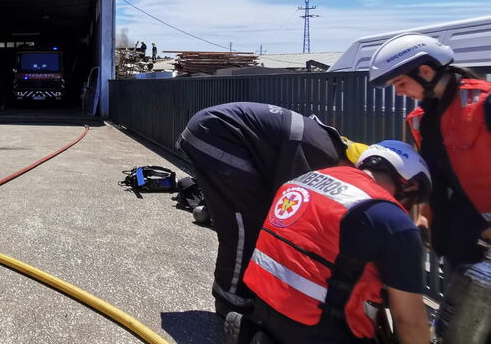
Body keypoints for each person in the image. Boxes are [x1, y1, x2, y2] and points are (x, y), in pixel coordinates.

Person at [234, 141, 432, 344]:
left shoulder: (303, 180)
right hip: (317, 326)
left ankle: (262, 336)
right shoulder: (391, 218)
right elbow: (409, 322)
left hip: (262, 301)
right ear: (412, 186)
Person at [175, 102, 360, 317]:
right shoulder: (323, 153)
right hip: (214, 134)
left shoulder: (324, 140)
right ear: (351, 164)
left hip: (211, 130)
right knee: (244, 226)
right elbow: (293, 202)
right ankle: (231, 302)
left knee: (250, 214)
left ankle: (240, 288)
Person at [367, 33, 491, 268]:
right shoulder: (420, 121)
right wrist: (425, 218)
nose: (399, 93)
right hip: (462, 241)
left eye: (400, 83)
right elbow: (437, 177)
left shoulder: (484, 103)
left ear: (425, 71)